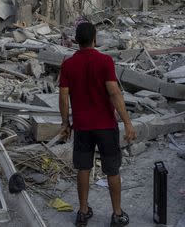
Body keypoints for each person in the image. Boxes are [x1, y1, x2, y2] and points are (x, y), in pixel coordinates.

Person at [58, 22, 136, 227]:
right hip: (105, 126)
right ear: (95, 39)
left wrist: (65, 123)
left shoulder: (68, 64)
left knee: (83, 169)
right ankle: (117, 214)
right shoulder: (105, 61)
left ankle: (83, 212)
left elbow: (63, 97)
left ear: (76, 41)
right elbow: (114, 91)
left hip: (82, 127)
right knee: (112, 170)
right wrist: (127, 122)